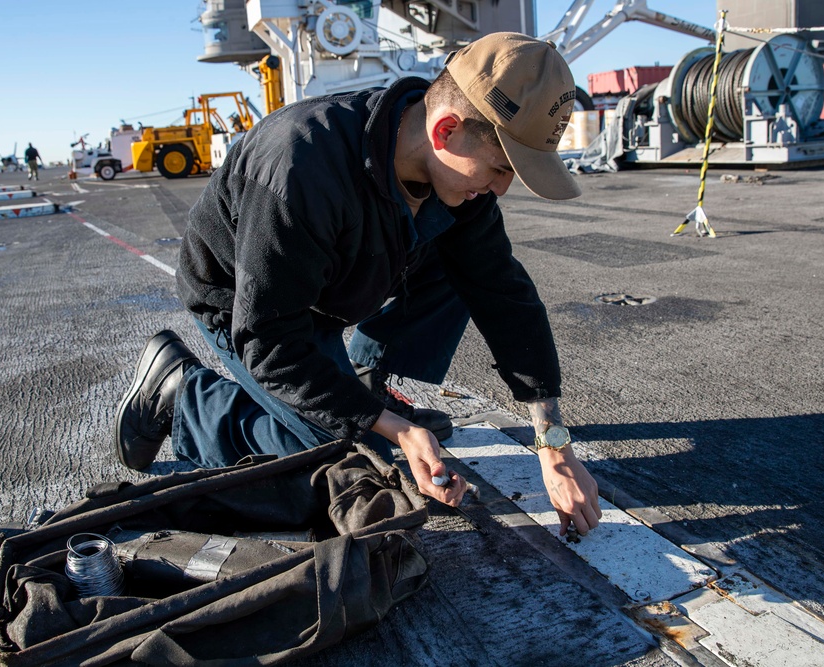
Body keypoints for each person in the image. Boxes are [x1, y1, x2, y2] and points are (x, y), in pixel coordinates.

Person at [114, 32, 602, 536]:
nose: (500, 189)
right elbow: (272, 344)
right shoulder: (300, 167)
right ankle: (180, 393)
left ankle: (366, 380)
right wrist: (392, 428)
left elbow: (504, 295)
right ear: (447, 130)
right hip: (248, 304)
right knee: (334, 469)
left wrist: (554, 444)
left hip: (341, 280)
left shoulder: (456, 178)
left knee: (468, 265)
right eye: (501, 168)